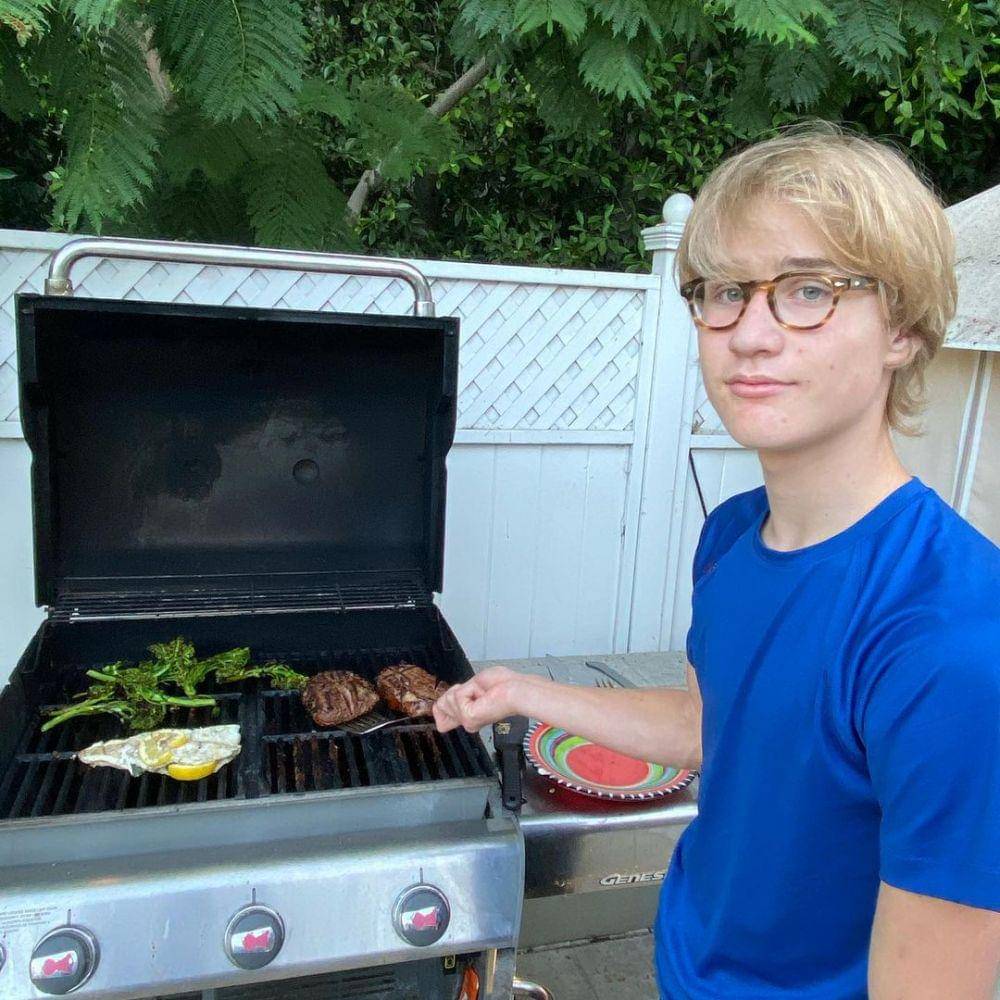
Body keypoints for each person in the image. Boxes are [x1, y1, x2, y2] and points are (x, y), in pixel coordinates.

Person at [434, 123, 1000, 999]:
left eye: (808, 290)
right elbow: (711, 724)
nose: (750, 334)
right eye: (727, 292)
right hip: (688, 962)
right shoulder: (733, 535)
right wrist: (524, 692)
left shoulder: (955, 637)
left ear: (904, 329)